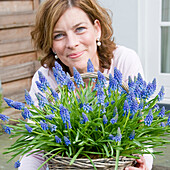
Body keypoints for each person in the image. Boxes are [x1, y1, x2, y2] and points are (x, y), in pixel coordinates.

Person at [19, 0, 152, 169]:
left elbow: (142, 129)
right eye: (58, 35)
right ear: (51, 44)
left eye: (79, 29)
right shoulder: (46, 78)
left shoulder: (123, 61)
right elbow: (35, 146)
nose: (72, 43)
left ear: (97, 29)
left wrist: (144, 162)